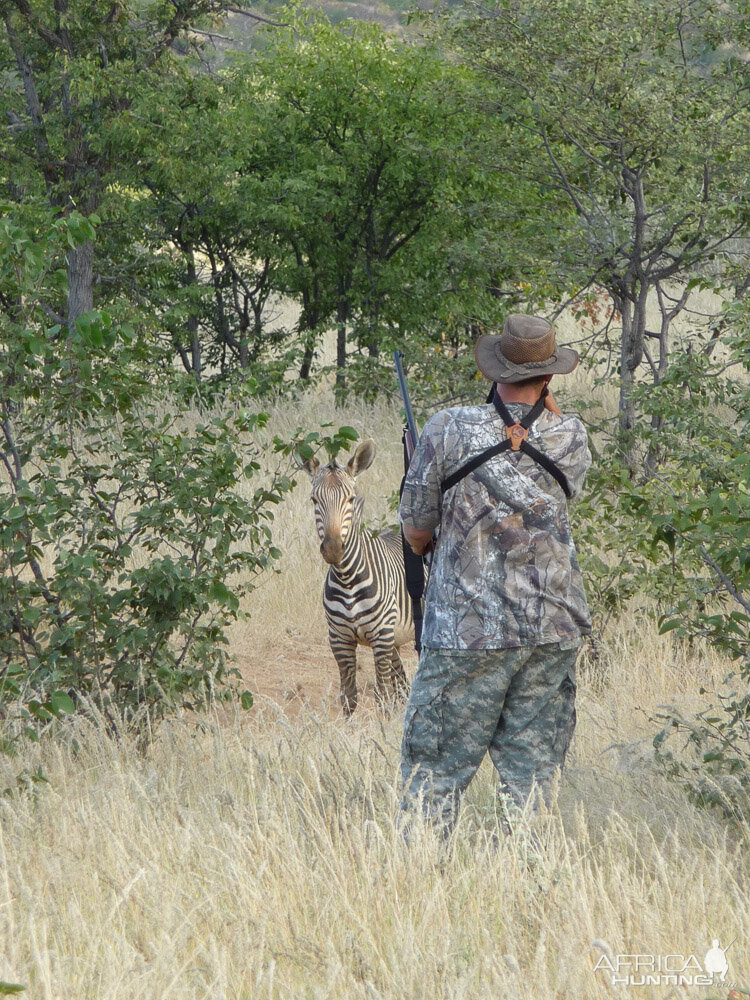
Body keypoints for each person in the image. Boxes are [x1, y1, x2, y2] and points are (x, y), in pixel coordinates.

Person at [398, 313, 592, 835]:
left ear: (495, 369)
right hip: (553, 626)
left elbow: (416, 531)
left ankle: (417, 879)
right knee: (533, 776)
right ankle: (528, 883)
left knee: (433, 771)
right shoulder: (572, 435)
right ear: (549, 376)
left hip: (468, 631)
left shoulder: (447, 427)